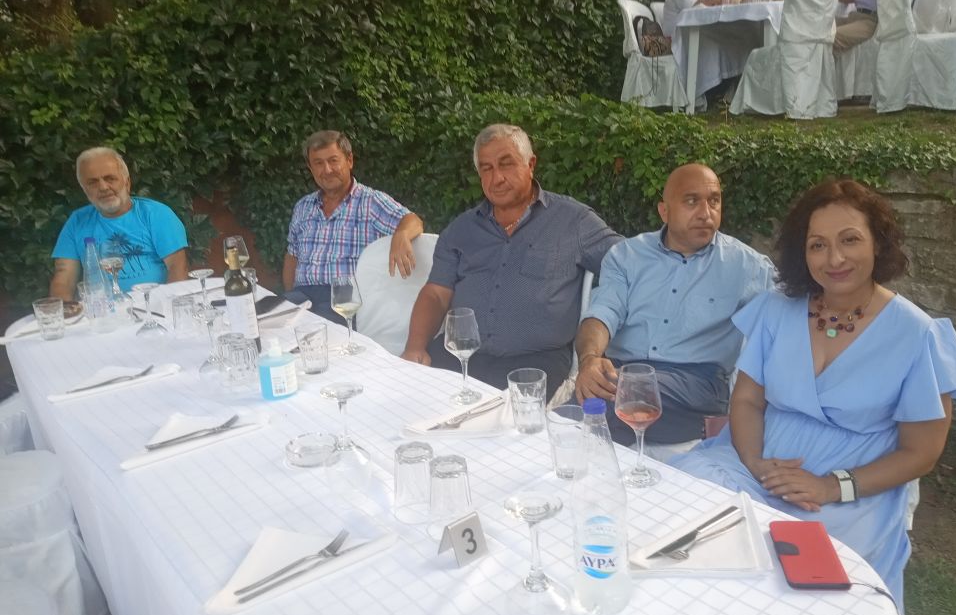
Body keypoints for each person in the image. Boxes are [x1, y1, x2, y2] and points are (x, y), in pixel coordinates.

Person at [670, 179, 956, 614]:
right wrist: (756, 462)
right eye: (817, 245)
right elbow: (747, 402)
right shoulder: (777, 309)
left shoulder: (917, 335)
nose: (833, 258)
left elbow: (921, 453)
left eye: (849, 240)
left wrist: (831, 486)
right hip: (752, 465)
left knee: (803, 595)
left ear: (878, 242)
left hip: (849, 495)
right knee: (685, 532)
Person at [400, 124, 621, 399]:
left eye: (506, 164)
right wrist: (415, 347)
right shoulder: (461, 230)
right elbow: (436, 293)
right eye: (486, 168)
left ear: (531, 165)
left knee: (496, 422)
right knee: (403, 400)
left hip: (535, 362)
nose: (497, 178)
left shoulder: (573, 221)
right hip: (460, 355)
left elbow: (629, 265)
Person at [574, 164, 775, 458]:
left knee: (597, 410)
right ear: (664, 211)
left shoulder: (748, 266)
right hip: (623, 371)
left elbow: (790, 316)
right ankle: (671, 432)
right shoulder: (628, 255)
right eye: (692, 201)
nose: (706, 213)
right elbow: (603, 312)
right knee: (585, 398)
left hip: (697, 381)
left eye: (714, 201)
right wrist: (590, 360)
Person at [284, 130, 423, 320]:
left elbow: (413, 220)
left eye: (333, 160)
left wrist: (402, 234)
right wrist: (290, 294)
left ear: (349, 160)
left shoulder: (371, 202)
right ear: (310, 167)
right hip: (301, 297)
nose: (327, 170)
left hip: (343, 301)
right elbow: (292, 255)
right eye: (318, 163)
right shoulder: (303, 206)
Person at [50, 147, 188, 300]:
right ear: (84, 190)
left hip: (153, 306)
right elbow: (64, 279)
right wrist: (64, 312)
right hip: (101, 310)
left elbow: (177, 269)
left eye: (110, 178)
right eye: (92, 182)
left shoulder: (156, 214)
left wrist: (167, 307)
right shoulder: (77, 222)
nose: (103, 187)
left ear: (127, 182)